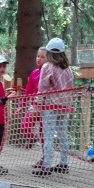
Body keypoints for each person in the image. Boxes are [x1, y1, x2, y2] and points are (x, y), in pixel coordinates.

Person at [33, 37, 75, 177]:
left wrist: (37, 105)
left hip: (50, 105)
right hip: (64, 105)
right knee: (63, 134)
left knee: (48, 135)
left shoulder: (48, 67)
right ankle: (64, 163)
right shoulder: (68, 69)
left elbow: (42, 88)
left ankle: (47, 166)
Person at [18, 46, 47, 151]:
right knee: (24, 126)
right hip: (34, 105)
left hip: (46, 106)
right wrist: (21, 106)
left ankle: (44, 157)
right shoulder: (34, 73)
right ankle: (32, 137)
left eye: (42, 57)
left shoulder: (49, 73)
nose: (39, 59)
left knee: (43, 133)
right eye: (38, 56)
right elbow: (28, 92)